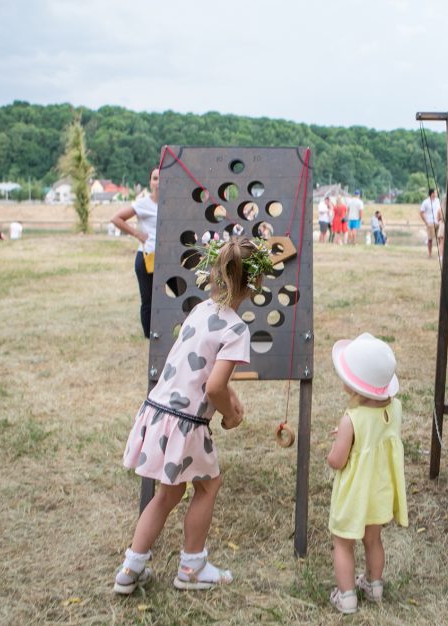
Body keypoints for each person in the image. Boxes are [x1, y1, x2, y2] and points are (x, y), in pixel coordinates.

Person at [114, 237, 273, 595]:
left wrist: (228, 395)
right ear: (254, 284)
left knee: (167, 494)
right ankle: (192, 567)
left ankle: (131, 567)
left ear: (215, 274)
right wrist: (230, 415)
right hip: (187, 422)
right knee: (208, 485)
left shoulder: (201, 310)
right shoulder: (236, 329)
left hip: (160, 410)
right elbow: (214, 386)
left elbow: (195, 368)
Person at [327, 333, 407, 614]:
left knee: (342, 542)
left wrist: (334, 449)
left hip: (355, 493)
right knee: (373, 539)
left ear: (354, 385)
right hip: (379, 490)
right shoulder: (395, 408)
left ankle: (346, 596)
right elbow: (377, 435)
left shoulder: (351, 418)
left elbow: (338, 461)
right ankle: (374, 585)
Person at [111, 168, 160, 339]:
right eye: (155, 178)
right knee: (148, 299)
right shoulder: (143, 204)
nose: (158, 182)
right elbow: (116, 218)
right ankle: (149, 336)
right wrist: (137, 234)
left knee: (176, 295)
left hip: (168, 259)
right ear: (150, 182)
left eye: (162, 178)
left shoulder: (172, 203)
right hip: (147, 256)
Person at [419, 188, 444, 258]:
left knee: (440, 238)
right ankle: (430, 254)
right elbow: (421, 212)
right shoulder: (425, 202)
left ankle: (441, 254)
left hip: (438, 223)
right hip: (430, 222)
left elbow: (440, 210)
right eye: (435, 192)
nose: (436, 194)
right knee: (430, 239)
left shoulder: (438, 201)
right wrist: (426, 222)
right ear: (432, 193)